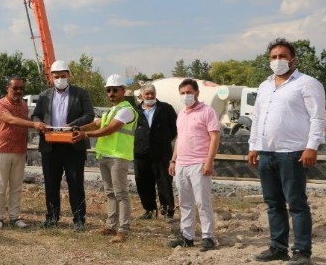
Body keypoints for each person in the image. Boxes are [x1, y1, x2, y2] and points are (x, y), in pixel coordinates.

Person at [247, 38, 326, 265]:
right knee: (273, 204)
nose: (278, 60)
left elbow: (317, 117)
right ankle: (278, 247)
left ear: (293, 59)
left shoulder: (307, 83)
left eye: (282, 56)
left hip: (292, 153)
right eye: (273, 57)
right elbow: (257, 118)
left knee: (297, 204)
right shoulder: (264, 86)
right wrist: (254, 146)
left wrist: (312, 146)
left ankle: (302, 252)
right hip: (267, 153)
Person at [72, 74, 137, 243]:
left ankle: (123, 229)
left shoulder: (126, 110)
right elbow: (97, 124)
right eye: (108, 90)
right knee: (110, 193)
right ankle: (111, 225)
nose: (111, 93)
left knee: (121, 193)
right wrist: (76, 127)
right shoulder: (112, 110)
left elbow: (109, 129)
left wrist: (84, 134)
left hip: (118, 157)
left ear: (123, 91)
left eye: (115, 90)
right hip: (106, 155)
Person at [31, 60, 95, 231]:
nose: (60, 79)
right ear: (51, 77)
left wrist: (73, 125)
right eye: (56, 76)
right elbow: (36, 116)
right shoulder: (44, 95)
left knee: (75, 183)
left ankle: (79, 219)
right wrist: (39, 124)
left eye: (63, 76)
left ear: (69, 75)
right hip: (51, 146)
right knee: (51, 184)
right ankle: (52, 217)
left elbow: (89, 114)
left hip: (73, 145)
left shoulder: (80, 93)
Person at [167, 78, 220, 251]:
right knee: (185, 202)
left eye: (189, 92)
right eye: (182, 93)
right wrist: (173, 160)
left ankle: (208, 237)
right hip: (182, 164)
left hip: (199, 163)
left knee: (202, 202)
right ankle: (187, 236)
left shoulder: (208, 111)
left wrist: (209, 162)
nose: (186, 96)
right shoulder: (181, 113)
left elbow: (214, 137)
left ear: (197, 92)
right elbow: (180, 138)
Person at [0, 77, 46, 229]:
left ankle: (15, 217)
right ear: (7, 88)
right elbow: (11, 120)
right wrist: (34, 124)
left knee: (16, 186)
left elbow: (23, 128)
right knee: (1, 185)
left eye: (21, 88)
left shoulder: (23, 105)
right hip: (2, 150)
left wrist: (26, 148)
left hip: (19, 151)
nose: (19, 91)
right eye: (15, 88)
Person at [134, 83, 178, 220]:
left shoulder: (166, 109)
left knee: (164, 182)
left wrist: (162, 140)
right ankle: (149, 209)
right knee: (143, 182)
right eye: (147, 94)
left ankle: (167, 209)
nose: (149, 96)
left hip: (161, 152)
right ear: (141, 95)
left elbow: (174, 129)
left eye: (152, 93)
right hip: (141, 152)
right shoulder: (135, 111)